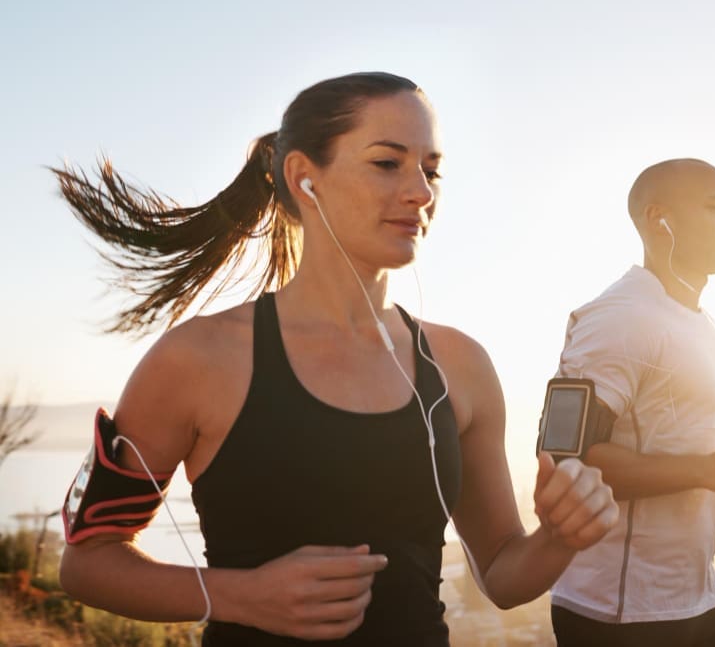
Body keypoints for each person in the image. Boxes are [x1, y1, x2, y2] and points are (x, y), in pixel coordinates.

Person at [53, 72, 618, 646]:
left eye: (431, 170)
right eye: (387, 163)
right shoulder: (197, 359)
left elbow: (501, 573)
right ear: (304, 176)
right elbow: (87, 563)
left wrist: (558, 538)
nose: (421, 192)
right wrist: (239, 596)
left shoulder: (462, 365)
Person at [547, 158, 715, 646]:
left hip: (693, 599)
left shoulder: (699, 321)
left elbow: (673, 446)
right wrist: (708, 471)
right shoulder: (619, 317)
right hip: (618, 614)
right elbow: (566, 461)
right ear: (659, 219)